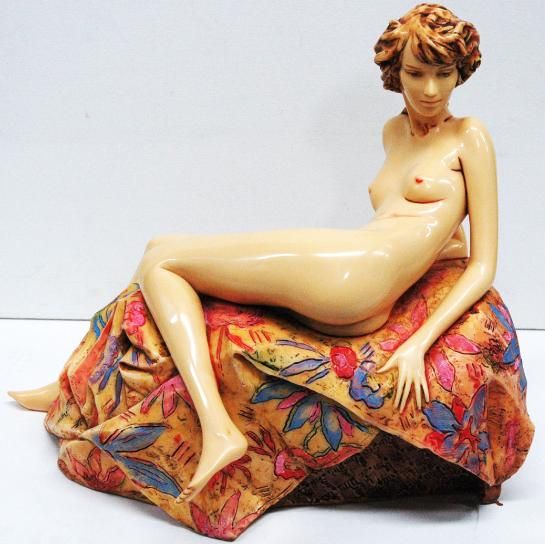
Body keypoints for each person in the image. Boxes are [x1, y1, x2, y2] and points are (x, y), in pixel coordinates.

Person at [9, 3, 496, 504]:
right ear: (396, 72)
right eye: (416, 73)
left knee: (165, 261)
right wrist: (434, 244)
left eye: (444, 74)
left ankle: (217, 428)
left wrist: (418, 343)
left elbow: (483, 263)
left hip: (359, 275)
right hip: (353, 266)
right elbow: (420, 226)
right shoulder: (393, 132)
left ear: (461, 72)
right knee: (159, 250)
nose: (431, 90)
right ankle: (79, 380)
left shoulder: (469, 136)